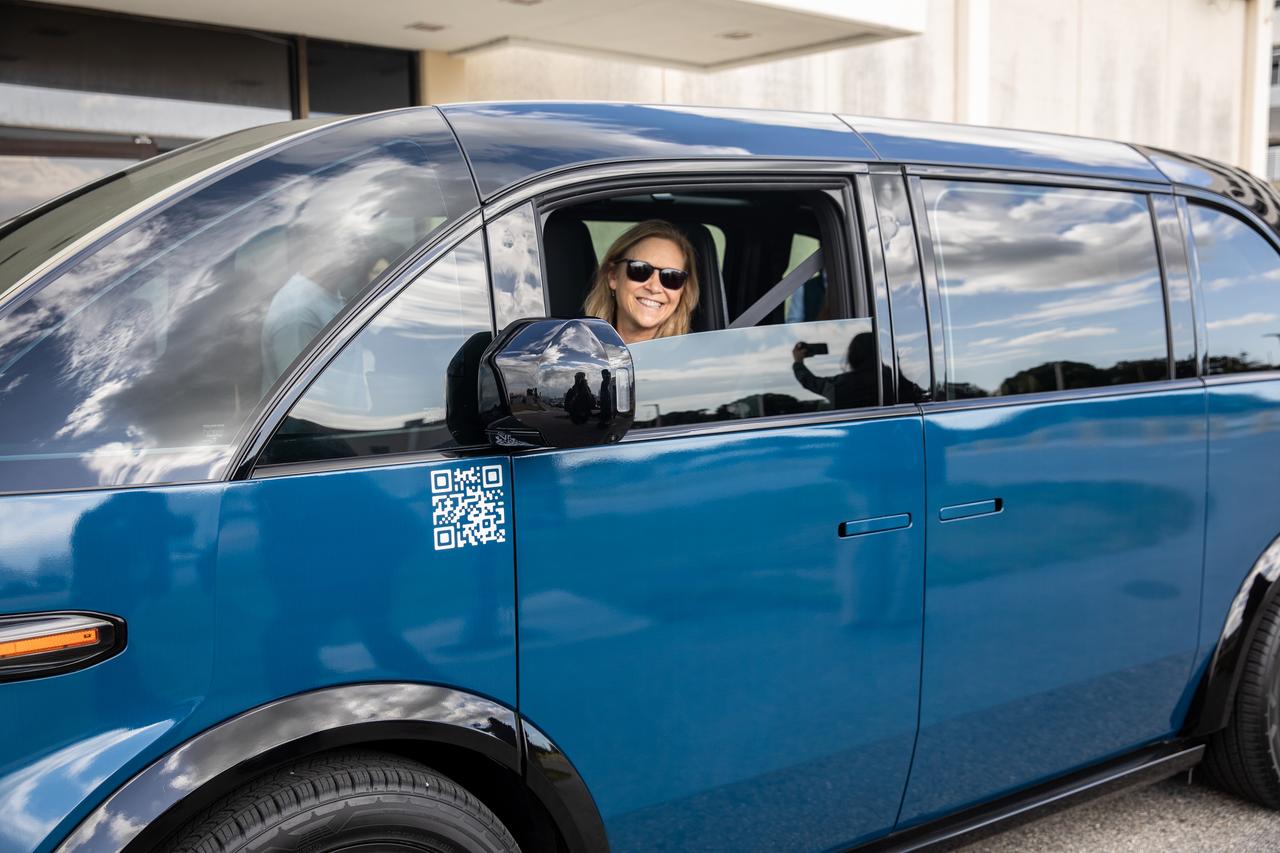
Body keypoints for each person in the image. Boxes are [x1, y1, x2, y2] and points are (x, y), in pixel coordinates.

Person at [583, 220, 700, 344]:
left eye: (672, 277)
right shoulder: (573, 348)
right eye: (640, 270)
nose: (654, 288)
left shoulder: (695, 360)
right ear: (613, 275)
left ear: (683, 290)